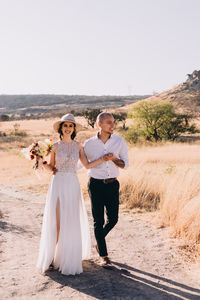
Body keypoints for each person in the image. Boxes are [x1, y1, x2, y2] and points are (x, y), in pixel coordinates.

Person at [36, 113, 111, 275]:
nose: (68, 128)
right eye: (65, 126)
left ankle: (67, 258)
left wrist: (103, 159)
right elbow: (52, 168)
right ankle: (49, 259)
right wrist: (41, 161)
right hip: (58, 183)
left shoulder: (79, 146)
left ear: (74, 129)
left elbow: (87, 165)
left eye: (71, 126)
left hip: (72, 184)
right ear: (61, 128)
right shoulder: (55, 146)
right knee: (56, 222)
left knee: (70, 221)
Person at [84, 112, 129, 268]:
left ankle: (99, 242)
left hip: (112, 184)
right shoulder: (88, 144)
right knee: (98, 220)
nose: (112, 125)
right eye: (109, 122)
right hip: (95, 184)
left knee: (113, 219)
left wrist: (114, 159)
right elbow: (84, 165)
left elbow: (125, 165)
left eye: (113, 122)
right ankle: (104, 256)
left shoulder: (119, 141)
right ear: (99, 125)